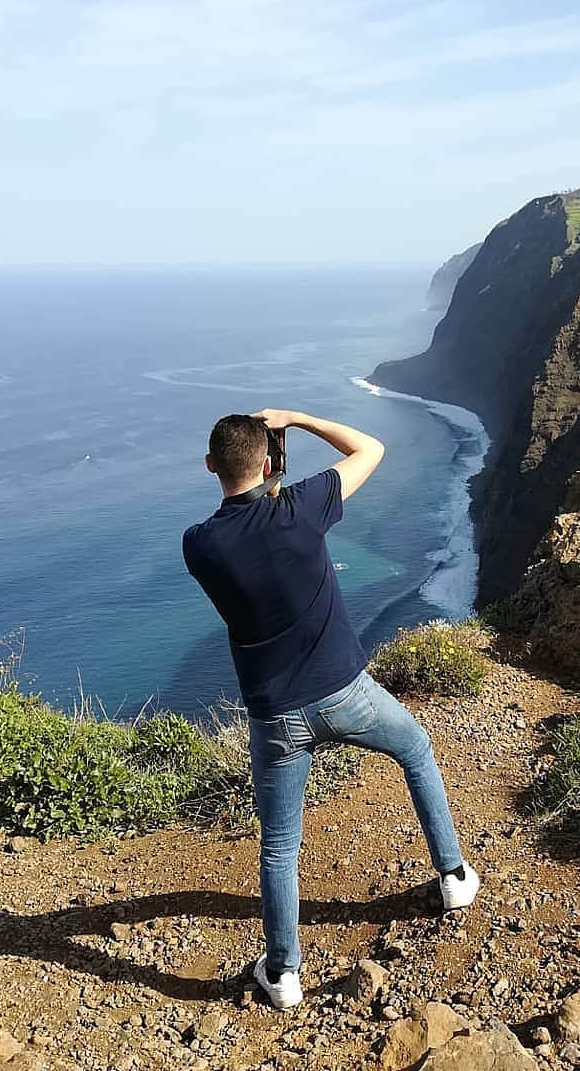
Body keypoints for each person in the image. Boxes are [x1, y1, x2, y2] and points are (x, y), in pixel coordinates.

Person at [182, 409, 478, 1010]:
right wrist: (295, 419)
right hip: (348, 693)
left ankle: (284, 971)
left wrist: (265, 478)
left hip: (275, 716)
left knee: (279, 844)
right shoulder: (300, 508)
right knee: (417, 751)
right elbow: (369, 447)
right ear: (270, 463)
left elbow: (247, 533)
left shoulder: (200, 544)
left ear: (211, 466)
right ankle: (454, 878)